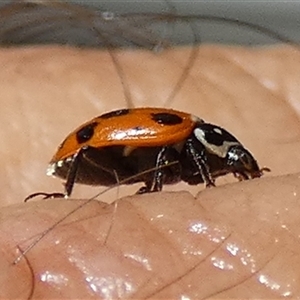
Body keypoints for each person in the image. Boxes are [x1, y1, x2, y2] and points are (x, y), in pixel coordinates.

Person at [1, 43, 300, 298]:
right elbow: (170, 153)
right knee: (149, 151)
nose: (234, 166)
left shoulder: (192, 137)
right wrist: (203, 183)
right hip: (93, 155)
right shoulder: (187, 135)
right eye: (234, 158)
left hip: (118, 158)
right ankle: (67, 193)